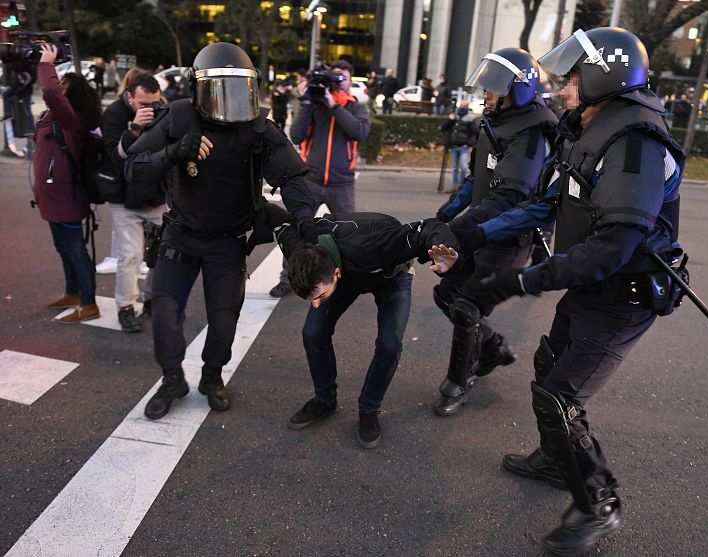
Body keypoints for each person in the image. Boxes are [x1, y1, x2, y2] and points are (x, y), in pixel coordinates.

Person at [465, 28, 686, 555]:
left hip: (623, 293)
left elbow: (614, 245)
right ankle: (554, 460)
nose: (562, 90)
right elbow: (545, 204)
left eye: (572, 79)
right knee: (548, 367)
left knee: (560, 398)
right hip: (591, 286)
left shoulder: (635, 140)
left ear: (604, 76)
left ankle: (598, 505)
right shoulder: (590, 127)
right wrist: (471, 232)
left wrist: (521, 280)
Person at [124, 42, 315, 420]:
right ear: (198, 87)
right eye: (218, 90)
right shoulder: (178, 117)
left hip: (227, 241)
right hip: (180, 235)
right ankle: (172, 379)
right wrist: (174, 153)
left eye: (237, 90)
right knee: (164, 313)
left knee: (224, 318)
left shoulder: (258, 126)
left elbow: (293, 178)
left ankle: (212, 377)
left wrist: (306, 222)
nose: (228, 103)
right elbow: (134, 169)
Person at [261, 202, 462, 448]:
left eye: (319, 298)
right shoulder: (299, 250)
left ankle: (369, 409)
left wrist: (447, 251)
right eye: (309, 299)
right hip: (345, 275)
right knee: (313, 332)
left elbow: (428, 227)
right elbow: (275, 213)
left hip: (389, 274)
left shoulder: (375, 244)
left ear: (335, 274)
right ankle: (324, 400)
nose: (315, 305)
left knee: (389, 344)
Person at [431, 48, 557, 416]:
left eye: (494, 88)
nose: (485, 94)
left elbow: (511, 194)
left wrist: (459, 230)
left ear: (517, 89)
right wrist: (445, 215)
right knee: (447, 296)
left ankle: (459, 381)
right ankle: (492, 348)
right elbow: (478, 180)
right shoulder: (494, 121)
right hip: (478, 231)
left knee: (466, 304)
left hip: (507, 238)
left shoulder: (533, 132)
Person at [269, 59, 370, 298]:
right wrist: (306, 102)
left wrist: (335, 106)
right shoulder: (315, 104)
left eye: (342, 78)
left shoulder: (356, 107)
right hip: (310, 180)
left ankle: (345, 281)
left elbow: (360, 132)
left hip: (342, 184)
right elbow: (296, 134)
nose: (338, 82)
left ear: (350, 80)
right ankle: (288, 279)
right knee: (297, 230)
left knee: (348, 234)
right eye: (334, 77)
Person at [33, 44, 103, 323]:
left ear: (72, 96)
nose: (58, 88)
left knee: (75, 251)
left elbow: (50, 93)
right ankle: (72, 292)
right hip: (52, 197)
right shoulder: (56, 118)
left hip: (67, 197)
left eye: (64, 85)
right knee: (63, 248)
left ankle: (88, 303)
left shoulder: (72, 120)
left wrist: (46, 64)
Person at [101, 73, 169, 333]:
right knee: (130, 256)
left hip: (157, 195)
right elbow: (114, 158)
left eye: (155, 102)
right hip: (124, 197)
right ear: (129, 97)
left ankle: (151, 298)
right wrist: (134, 128)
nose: (149, 109)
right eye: (143, 104)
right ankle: (125, 308)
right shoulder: (115, 115)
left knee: (162, 253)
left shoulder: (164, 109)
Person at [440, 98, 478, 193]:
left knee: (464, 167)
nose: (462, 107)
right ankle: (455, 186)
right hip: (454, 145)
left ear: (467, 106)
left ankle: (461, 186)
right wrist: (450, 120)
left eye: (464, 106)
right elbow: (444, 128)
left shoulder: (470, 118)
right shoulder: (455, 116)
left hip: (463, 146)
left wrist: (468, 143)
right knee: (455, 167)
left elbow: (474, 133)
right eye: (461, 105)